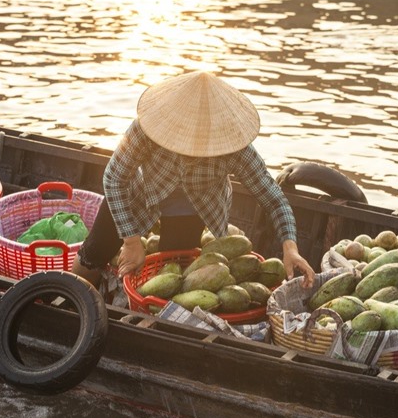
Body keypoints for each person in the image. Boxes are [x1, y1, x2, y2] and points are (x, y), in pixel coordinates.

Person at [72, 71, 315, 289]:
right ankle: (69, 299)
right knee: (93, 253)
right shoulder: (147, 128)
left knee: (171, 276)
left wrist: (290, 249)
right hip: (140, 194)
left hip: (193, 207)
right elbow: (114, 178)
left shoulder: (235, 148)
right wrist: (132, 241)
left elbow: (274, 199)